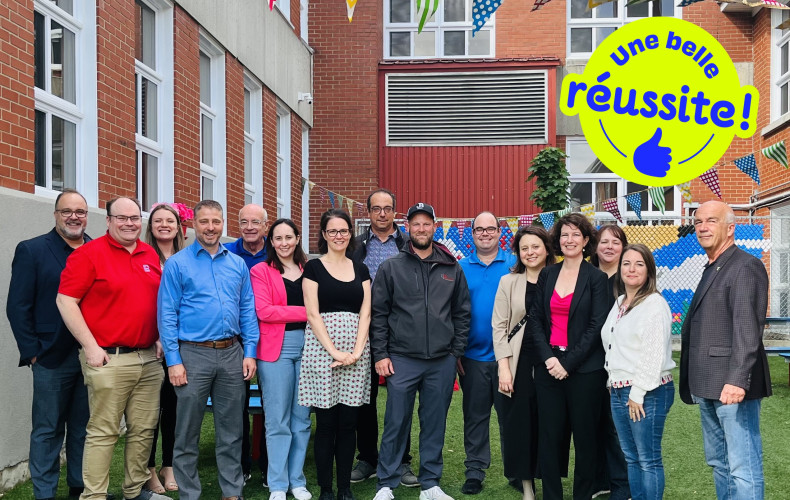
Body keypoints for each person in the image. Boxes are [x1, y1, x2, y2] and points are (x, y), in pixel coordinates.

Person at [56, 197, 166, 500]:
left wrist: (159, 336)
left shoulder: (149, 254)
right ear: (108, 221)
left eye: (134, 218)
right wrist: (90, 346)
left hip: (149, 358)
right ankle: (93, 496)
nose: (129, 223)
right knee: (104, 432)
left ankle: (134, 492)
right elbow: (65, 301)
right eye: (122, 218)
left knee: (143, 431)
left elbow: (157, 302)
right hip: (108, 358)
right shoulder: (89, 254)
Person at [157, 200, 259, 500]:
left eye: (216, 221)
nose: (211, 227)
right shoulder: (178, 264)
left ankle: (232, 492)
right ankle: (190, 493)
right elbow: (167, 314)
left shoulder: (236, 263)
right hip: (193, 355)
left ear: (223, 223)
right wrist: (174, 361)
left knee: (231, 430)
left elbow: (247, 310)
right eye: (204, 221)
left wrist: (249, 352)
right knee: (187, 431)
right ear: (194, 225)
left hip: (232, 353)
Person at [371, 203, 471, 500]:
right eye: (416, 224)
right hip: (401, 358)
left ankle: (430, 483)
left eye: (427, 224)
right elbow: (379, 314)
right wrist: (381, 354)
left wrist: (455, 353)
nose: (422, 229)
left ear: (434, 227)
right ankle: (386, 483)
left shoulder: (451, 266)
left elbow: (462, 312)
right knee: (395, 422)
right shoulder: (392, 266)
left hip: (441, 361)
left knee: (434, 423)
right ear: (408, 228)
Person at [680, 200, 771, 499]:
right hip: (707, 385)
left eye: (711, 221)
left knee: (742, 466)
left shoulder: (745, 265)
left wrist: (736, 380)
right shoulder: (714, 266)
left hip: (731, 387)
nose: (702, 227)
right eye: (698, 222)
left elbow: (748, 330)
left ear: (731, 228)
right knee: (720, 463)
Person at [7, 189, 91, 500]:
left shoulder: (97, 249)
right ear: (55, 215)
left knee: (84, 429)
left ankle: (80, 489)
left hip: (92, 355)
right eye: (67, 211)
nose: (74, 216)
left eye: (80, 211)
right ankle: (45, 494)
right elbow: (17, 306)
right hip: (50, 357)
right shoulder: (33, 250)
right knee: (48, 430)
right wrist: (32, 353)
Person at [527, 212, 609, 500]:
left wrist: (567, 363)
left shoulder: (597, 279)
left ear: (586, 240)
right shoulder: (547, 274)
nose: (569, 239)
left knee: (585, 441)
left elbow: (596, 326)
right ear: (557, 241)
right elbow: (535, 320)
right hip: (549, 370)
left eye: (576, 234)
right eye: (564, 234)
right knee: (549, 439)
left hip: (585, 373)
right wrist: (550, 359)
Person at [300, 209, 372, 500]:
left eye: (344, 231)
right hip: (322, 352)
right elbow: (313, 314)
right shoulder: (314, 269)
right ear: (324, 235)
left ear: (350, 234)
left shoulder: (361, 269)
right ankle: (326, 489)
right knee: (326, 424)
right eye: (333, 231)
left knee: (348, 424)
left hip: (357, 353)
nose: (339, 236)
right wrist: (335, 352)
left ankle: (344, 488)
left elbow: (366, 313)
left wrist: (355, 352)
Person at [348, 189, 417, 488]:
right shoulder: (355, 246)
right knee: (365, 398)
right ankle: (368, 458)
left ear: (395, 212)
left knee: (400, 398)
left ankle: (401, 461)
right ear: (369, 212)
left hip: (400, 329)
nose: (382, 214)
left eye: (387, 208)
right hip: (363, 329)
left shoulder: (408, 245)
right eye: (376, 209)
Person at [601, 244, 675, 500]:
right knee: (631, 458)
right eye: (626, 263)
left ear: (649, 271)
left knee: (648, 459)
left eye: (639, 264)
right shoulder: (621, 302)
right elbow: (611, 343)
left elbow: (653, 355)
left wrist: (638, 393)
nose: (631, 269)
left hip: (646, 392)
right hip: (619, 389)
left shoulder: (655, 304)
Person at [250, 219, 312, 500]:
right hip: (276, 349)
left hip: (310, 349)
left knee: (302, 419)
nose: (284, 243)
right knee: (277, 420)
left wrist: (301, 311)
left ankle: (296, 480)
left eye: (289, 237)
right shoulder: (260, 271)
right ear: (270, 241)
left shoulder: (310, 270)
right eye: (278, 238)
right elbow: (265, 311)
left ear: (297, 239)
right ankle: (277, 483)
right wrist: (308, 313)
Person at [492, 226, 555, 500]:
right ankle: (527, 486)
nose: (530, 252)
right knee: (521, 426)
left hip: (552, 362)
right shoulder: (509, 281)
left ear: (546, 248)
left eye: (535, 246)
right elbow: (499, 326)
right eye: (524, 248)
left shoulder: (560, 278)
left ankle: (550, 480)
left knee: (550, 425)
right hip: (518, 361)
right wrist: (504, 367)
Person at [456, 212, 515, 495]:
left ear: (499, 231)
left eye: (490, 228)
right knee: (475, 416)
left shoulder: (514, 264)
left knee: (511, 418)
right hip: (472, 356)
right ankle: (475, 471)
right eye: (479, 229)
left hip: (510, 358)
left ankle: (516, 470)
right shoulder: (460, 267)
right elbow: (452, 310)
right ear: (472, 233)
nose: (485, 233)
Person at [225, 203, 270, 486]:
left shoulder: (277, 252)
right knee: (235, 404)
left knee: (271, 405)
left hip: (271, 337)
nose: (250, 227)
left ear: (266, 226)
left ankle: (268, 465)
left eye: (256, 222)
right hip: (236, 338)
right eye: (244, 221)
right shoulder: (227, 253)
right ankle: (241, 465)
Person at [143, 203, 186, 494]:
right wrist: (158, 335)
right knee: (148, 412)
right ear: (151, 226)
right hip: (149, 344)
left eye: (169, 220)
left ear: (178, 226)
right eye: (158, 220)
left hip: (181, 343)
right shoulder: (142, 256)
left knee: (173, 408)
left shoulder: (187, 258)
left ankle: (168, 464)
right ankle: (146, 468)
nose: (164, 225)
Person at [591, 225, 631, 500]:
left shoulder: (629, 278)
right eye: (603, 241)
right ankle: (599, 480)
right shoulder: (586, 276)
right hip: (588, 361)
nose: (608, 246)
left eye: (615, 242)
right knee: (593, 423)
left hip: (620, 364)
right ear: (594, 246)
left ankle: (622, 485)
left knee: (617, 426)